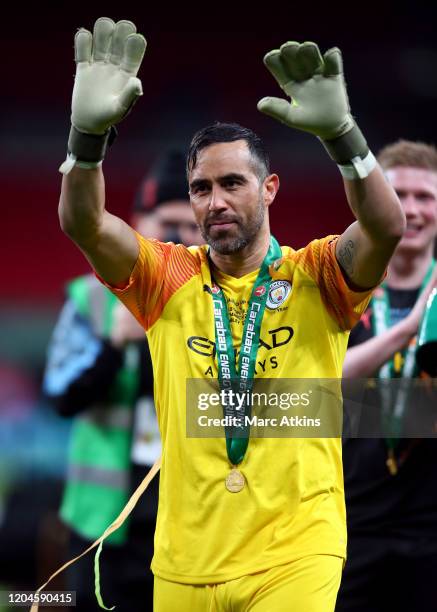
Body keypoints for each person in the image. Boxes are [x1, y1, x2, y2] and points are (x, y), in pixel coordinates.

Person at [57, 17, 406, 611]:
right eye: (200, 188)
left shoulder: (317, 274)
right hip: (184, 561)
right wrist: (85, 140)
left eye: (233, 183)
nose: (215, 201)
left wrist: (346, 139)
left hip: (296, 552)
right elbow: (84, 224)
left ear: (269, 188)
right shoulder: (167, 277)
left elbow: (384, 227)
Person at [43, 150, 202, 611]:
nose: (179, 238)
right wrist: (115, 346)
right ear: (136, 224)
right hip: (103, 522)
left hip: (191, 519)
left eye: (191, 227)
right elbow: (60, 398)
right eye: (167, 224)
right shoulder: (92, 298)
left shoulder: (221, 301)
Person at [336, 140, 437, 612]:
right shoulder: (339, 286)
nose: (412, 211)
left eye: (426, 197)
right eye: (400, 196)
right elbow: (317, 390)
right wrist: (410, 330)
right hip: (350, 522)